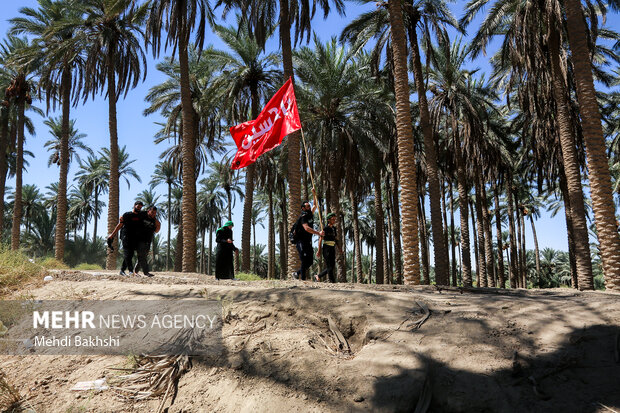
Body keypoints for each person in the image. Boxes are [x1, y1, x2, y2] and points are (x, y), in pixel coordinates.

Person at [108, 201, 144, 276]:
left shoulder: (141, 216)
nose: (139, 208)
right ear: (134, 206)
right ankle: (131, 271)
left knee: (130, 255)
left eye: (140, 207)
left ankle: (122, 270)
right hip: (125, 236)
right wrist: (112, 234)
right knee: (127, 253)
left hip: (135, 238)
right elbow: (120, 225)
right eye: (138, 207)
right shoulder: (127, 215)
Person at [293, 195, 324, 281]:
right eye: (307, 206)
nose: (309, 207)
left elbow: (315, 205)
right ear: (303, 208)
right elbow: (306, 228)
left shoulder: (310, 214)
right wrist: (318, 233)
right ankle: (303, 280)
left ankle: (297, 273)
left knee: (310, 261)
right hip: (300, 241)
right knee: (303, 259)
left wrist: (314, 194)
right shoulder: (303, 217)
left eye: (309, 206)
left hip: (308, 241)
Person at [133, 205, 161, 277]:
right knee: (142, 256)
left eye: (155, 213)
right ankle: (146, 272)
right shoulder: (142, 215)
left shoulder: (154, 220)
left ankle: (135, 272)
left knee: (143, 256)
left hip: (148, 241)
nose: (153, 214)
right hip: (139, 239)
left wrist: (158, 224)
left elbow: (157, 231)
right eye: (152, 212)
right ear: (148, 211)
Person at [315, 212, 342, 283]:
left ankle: (323, 277)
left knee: (332, 266)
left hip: (332, 248)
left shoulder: (334, 229)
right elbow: (320, 239)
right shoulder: (325, 229)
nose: (334, 220)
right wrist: (319, 250)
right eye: (333, 219)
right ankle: (330, 280)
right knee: (329, 266)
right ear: (329, 220)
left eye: (335, 219)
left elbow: (335, 239)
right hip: (326, 248)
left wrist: (339, 248)